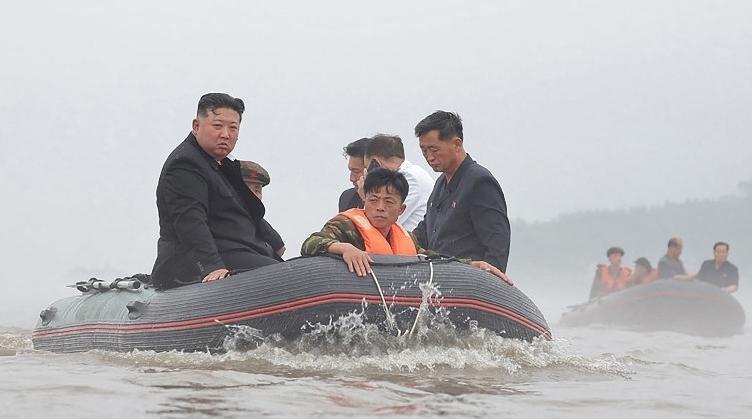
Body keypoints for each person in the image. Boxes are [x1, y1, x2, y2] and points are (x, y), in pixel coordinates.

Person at [151, 93, 280, 289]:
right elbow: (190, 221)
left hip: (240, 250)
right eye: (218, 126)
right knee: (278, 276)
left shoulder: (222, 166)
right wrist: (211, 266)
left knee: (296, 272)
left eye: (233, 128)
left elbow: (243, 209)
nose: (225, 134)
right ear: (196, 126)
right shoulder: (184, 164)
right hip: (199, 261)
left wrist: (274, 241)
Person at [302, 168, 510, 283]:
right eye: (373, 200)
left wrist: (472, 265)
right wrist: (344, 248)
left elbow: (431, 258)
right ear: (364, 202)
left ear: (401, 210)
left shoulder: (406, 238)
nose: (380, 207)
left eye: (389, 202)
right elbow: (311, 243)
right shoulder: (346, 224)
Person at [411, 111, 511, 272]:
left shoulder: (480, 182)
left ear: (457, 144)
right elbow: (423, 233)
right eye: (424, 151)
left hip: (468, 283)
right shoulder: (440, 184)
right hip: (438, 280)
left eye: (434, 150)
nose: (429, 157)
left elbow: (497, 245)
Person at [359, 134, 434, 230]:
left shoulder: (410, 178)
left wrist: (365, 196)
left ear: (375, 163)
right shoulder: (414, 173)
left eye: (367, 167)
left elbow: (379, 223)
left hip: (410, 242)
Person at [239, 160, 286, 258]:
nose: (253, 195)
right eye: (246, 189)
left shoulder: (257, 219)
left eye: (257, 190)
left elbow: (280, 248)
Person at [337, 138, 369, 212]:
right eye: (351, 171)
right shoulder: (346, 198)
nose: (351, 178)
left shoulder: (392, 202)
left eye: (356, 171)